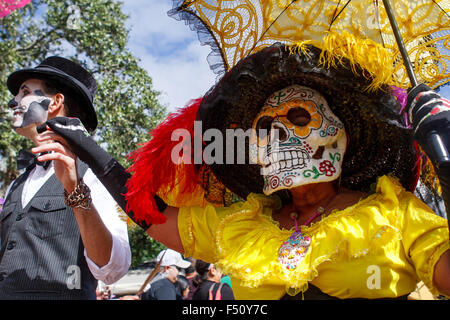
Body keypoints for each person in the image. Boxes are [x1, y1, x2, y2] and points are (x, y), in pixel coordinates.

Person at [36, 34, 450, 300]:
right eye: (265, 129)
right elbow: (151, 214)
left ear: (338, 137)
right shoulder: (244, 224)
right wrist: (88, 148)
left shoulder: (395, 214)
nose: (276, 137)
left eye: (300, 119)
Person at [0, 57, 131, 299]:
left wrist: (75, 189)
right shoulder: (16, 183)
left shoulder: (95, 174)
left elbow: (113, 269)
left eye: (24, 92)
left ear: (55, 102)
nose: (12, 102)